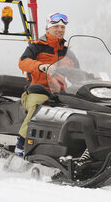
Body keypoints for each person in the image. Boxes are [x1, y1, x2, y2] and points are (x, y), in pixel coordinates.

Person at [15, 12, 70, 156]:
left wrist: (92, 77)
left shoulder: (67, 51)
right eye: (56, 26)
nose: (60, 29)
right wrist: (40, 66)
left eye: (62, 27)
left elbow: (76, 71)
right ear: (48, 28)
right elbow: (23, 62)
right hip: (37, 91)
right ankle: (21, 142)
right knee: (39, 106)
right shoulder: (37, 46)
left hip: (59, 93)